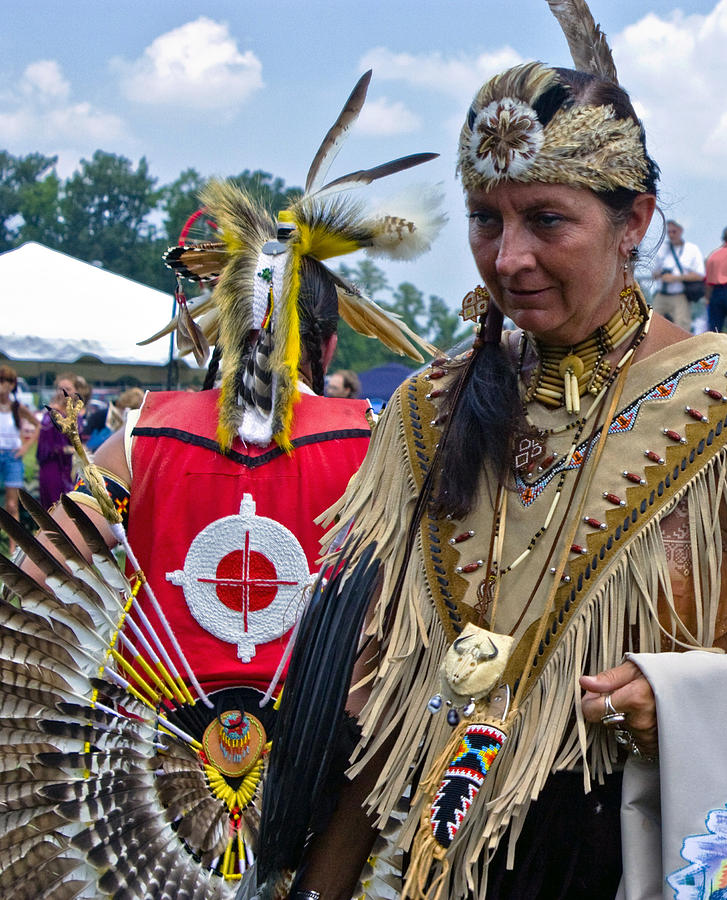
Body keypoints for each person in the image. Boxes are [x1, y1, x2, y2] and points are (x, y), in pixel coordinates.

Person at [271, 14, 727, 900]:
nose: (510, 258)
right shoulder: (425, 412)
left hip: (616, 852)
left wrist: (676, 703)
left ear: (633, 222)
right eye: (484, 220)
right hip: (414, 853)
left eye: (545, 219)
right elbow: (366, 695)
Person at [0, 70, 443, 897]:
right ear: (326, 338)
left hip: (150, 771)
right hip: (326, 773)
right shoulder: (379, 443)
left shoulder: (142, 434)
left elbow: (37, 582)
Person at [0, 364, 40, 553]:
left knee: (11, 504)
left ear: (12, 384)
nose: (2, 386)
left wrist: (25, 447)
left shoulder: (17, 407)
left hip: (12, 457)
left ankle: (13, 545)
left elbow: (38, 425)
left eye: (5, 381)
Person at [650, 219, 705, 333]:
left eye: (674, 232)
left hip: (679, 295)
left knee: (682, 328)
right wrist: (661, 275)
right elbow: (654, 273)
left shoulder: (691, 249)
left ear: (680, 231)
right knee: (651, 324)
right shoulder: (662, 248)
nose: (671, 235)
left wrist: (676, 278)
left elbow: (700, 275)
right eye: (669, 232)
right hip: (662, 294)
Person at [36, 371, 79, 507]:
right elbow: (48, 446)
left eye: (68, 389)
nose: (63, 392)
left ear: (75, 391)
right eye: (60, 389)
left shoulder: (73, 414)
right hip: (52, 466)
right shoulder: (52, 414)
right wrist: (72, 449)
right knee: (55, 507)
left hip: (69, 468)